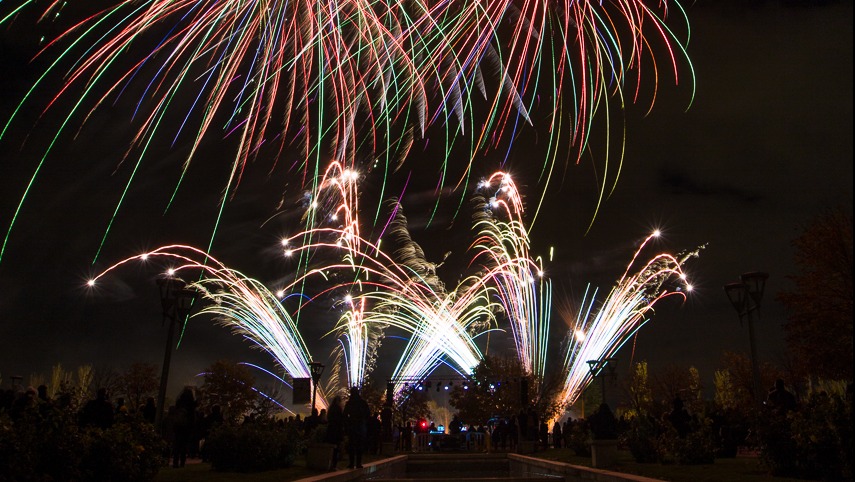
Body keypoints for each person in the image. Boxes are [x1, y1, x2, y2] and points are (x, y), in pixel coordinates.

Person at [343, 386, 371, 469]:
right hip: (360, 426)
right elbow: (368, 414)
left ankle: (351, 463)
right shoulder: (362, 403)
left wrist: (347, 423)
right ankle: (358, 463)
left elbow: (345, 415)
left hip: (352, 426)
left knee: (352, 445)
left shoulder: (349, 403)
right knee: (359, 445)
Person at [170, 387, 197, 468]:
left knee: (177, 444)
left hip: (178, 425)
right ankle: (182, 462)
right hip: (187, 427)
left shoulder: (179, 402)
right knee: (184, 445)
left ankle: (175, 462)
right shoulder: (191, 403)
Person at [324, 396, 344, 469]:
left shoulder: (331, 409)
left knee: (330, 447)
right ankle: (334, 464)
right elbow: (341, 420)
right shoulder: (338, 409)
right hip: (336, 430)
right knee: (336, 448)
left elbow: (328, 418)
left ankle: (329, 463)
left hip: (331, 430)